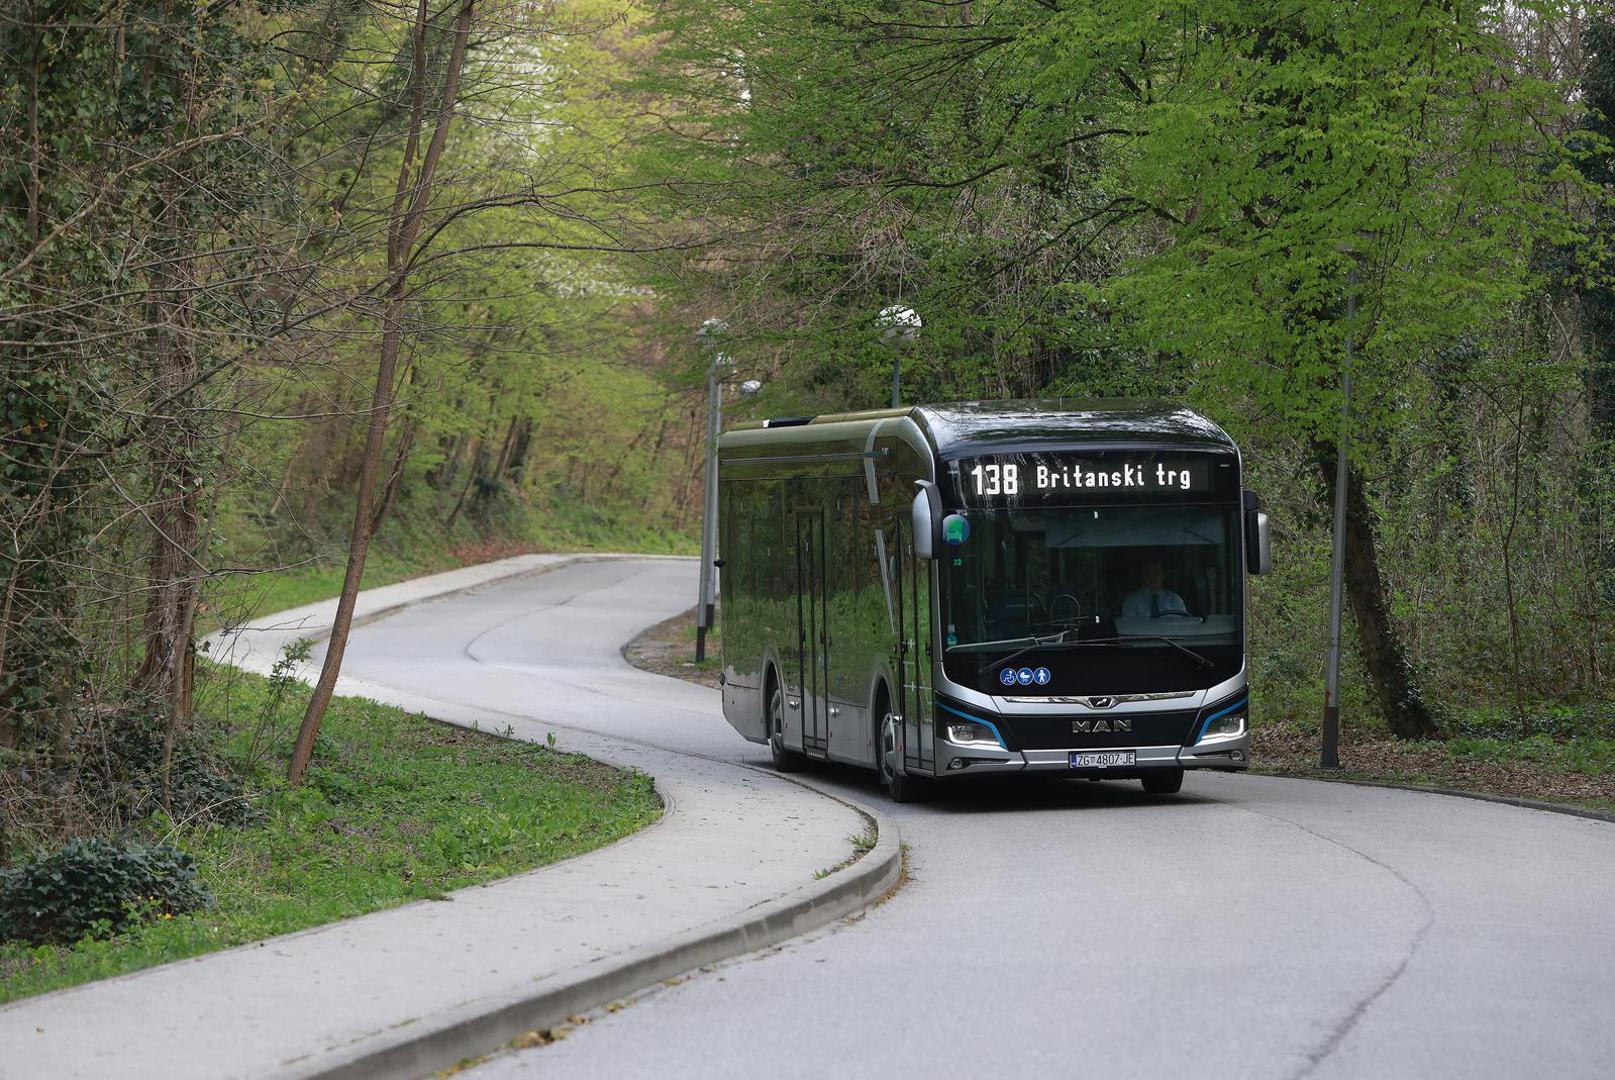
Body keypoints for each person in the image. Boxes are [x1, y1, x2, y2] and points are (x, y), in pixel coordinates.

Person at [1121, 559, 1188, 618]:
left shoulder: (1176, 601)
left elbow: (1183, 627)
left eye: (1157, 572)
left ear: (1163, 575)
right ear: (1143, 575)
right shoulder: (1132, 601)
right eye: (1148, 572)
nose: (1152, 577)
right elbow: (1129, 627)